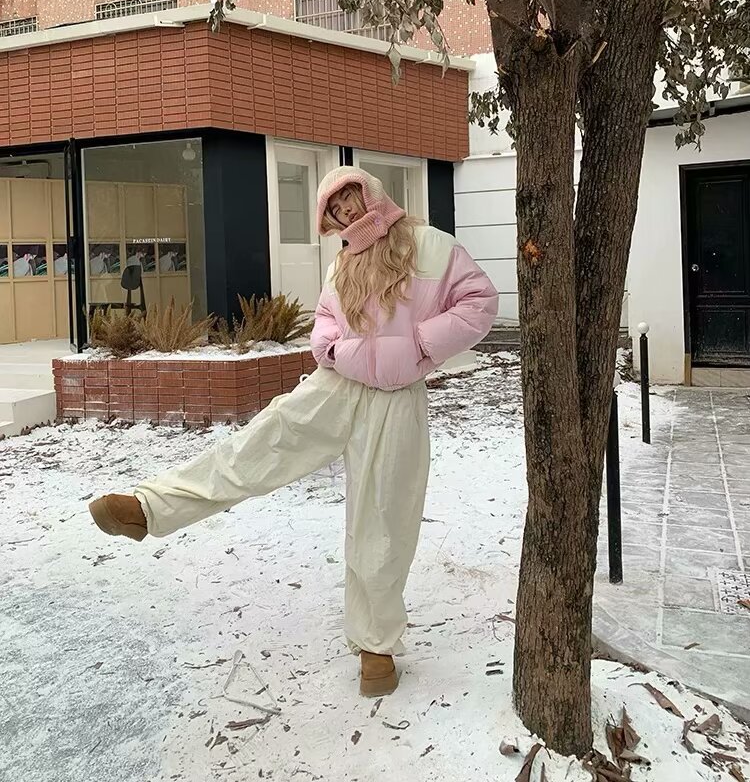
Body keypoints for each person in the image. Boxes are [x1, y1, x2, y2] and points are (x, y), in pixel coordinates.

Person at [88, 167, 498, 698]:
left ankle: (376, 648)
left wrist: (418, 345)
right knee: (260, 444)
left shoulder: (431, 245)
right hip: (338, 385)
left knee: (383, 520)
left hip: (397, 400)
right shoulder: (343, 261)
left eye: (348, 199)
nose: (345, 212)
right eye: (334, 210)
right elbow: (325, 315)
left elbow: (479, 301)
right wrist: (329, 346)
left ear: (369, 193)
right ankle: (149, 508)